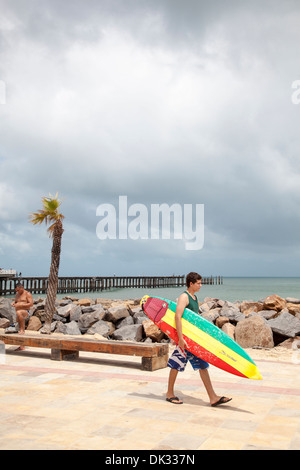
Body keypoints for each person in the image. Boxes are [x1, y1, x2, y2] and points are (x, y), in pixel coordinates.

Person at [166, 272, 232, 407]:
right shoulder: (184, 297)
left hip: (193, 340)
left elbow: (193, 320)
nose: (201, 285)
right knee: (176, 364)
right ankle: (169, 393)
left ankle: (213, 397)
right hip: (185, 340)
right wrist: (179, 338)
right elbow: (177, 317)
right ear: (191, 283)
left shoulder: (194, 298)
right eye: (198, 283)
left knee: (202, 366)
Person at [11, 283, 33, 350]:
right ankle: (22, 346)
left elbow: (31, 304)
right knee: (18, 328)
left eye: (18, 290)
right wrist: (13, 303)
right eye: (16, 290)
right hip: (18, 314)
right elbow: (16, 302)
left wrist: (20, 305)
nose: (17, 292)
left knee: (19, 312)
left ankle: (22, 329)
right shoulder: (17, 294)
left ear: (22, 287)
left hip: (26, 312)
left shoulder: (27, 294)